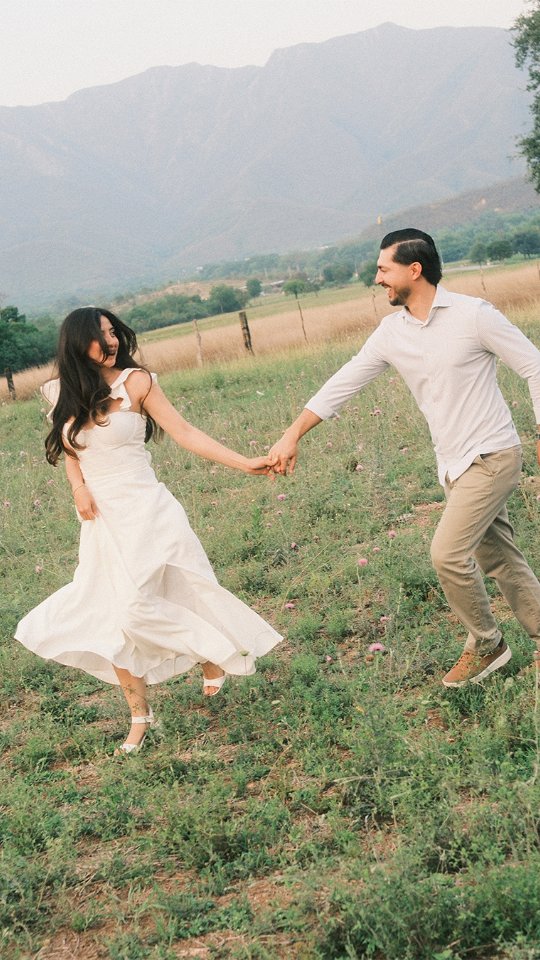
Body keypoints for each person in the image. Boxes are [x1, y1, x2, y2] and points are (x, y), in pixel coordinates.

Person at [269, 228, 540, 687]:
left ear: (414, 270)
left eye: (383, 269)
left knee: (447, 555)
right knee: (500, 559)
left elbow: (534, 364)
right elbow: (345, 381)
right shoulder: (391, 332)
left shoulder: (474, 315)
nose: (377, 279)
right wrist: (292, 433)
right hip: (452, 465)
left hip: (492, 455)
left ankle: (487, 643)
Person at [15, 307, 282, 754]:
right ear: (76, 342)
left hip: (148, 511)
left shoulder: (137, 382)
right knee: (113, 618)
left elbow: (185, 433)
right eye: (100, 335)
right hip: (102, 522)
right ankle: (140, 718)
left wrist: (244, 463)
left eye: (113, 332)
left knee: (151, 603)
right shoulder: (59, 391)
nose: (111, 341)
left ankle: (210, 651)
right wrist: (78, 488)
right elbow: (73, 451)